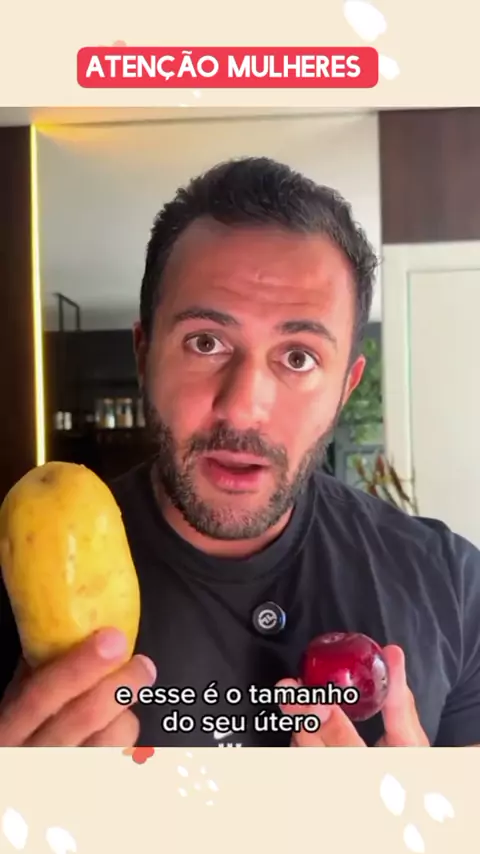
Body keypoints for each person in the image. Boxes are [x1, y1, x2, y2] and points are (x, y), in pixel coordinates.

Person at [1, 156, 479, 748]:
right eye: (206, 342)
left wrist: (429, 808)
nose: (244, 407)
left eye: (299, 357)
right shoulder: (16, 586)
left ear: (346, 388)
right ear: (144, 356)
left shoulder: (452, 588)